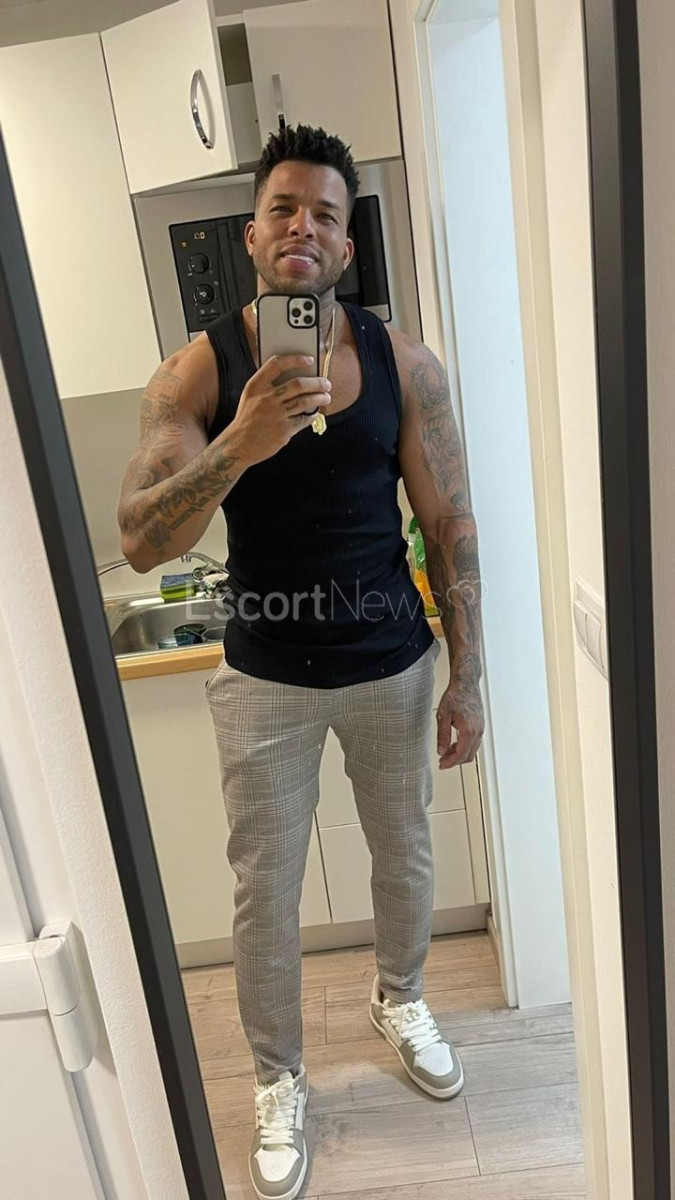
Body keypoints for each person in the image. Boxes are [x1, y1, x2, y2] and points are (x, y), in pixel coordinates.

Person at [118, 124, 485, 1200]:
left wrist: (468, 675)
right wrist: (242, 440)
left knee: (404, 854)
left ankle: (399, 996)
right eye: (283, 208)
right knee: (264, 893)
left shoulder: (403, 363)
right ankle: (279, 1077)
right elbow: (141, 540)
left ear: (345, 246)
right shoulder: (198, 370)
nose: (302, 228)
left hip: (392, 663)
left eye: (324, 213)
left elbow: (449, 524)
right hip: (264, 676)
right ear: (252, 234)